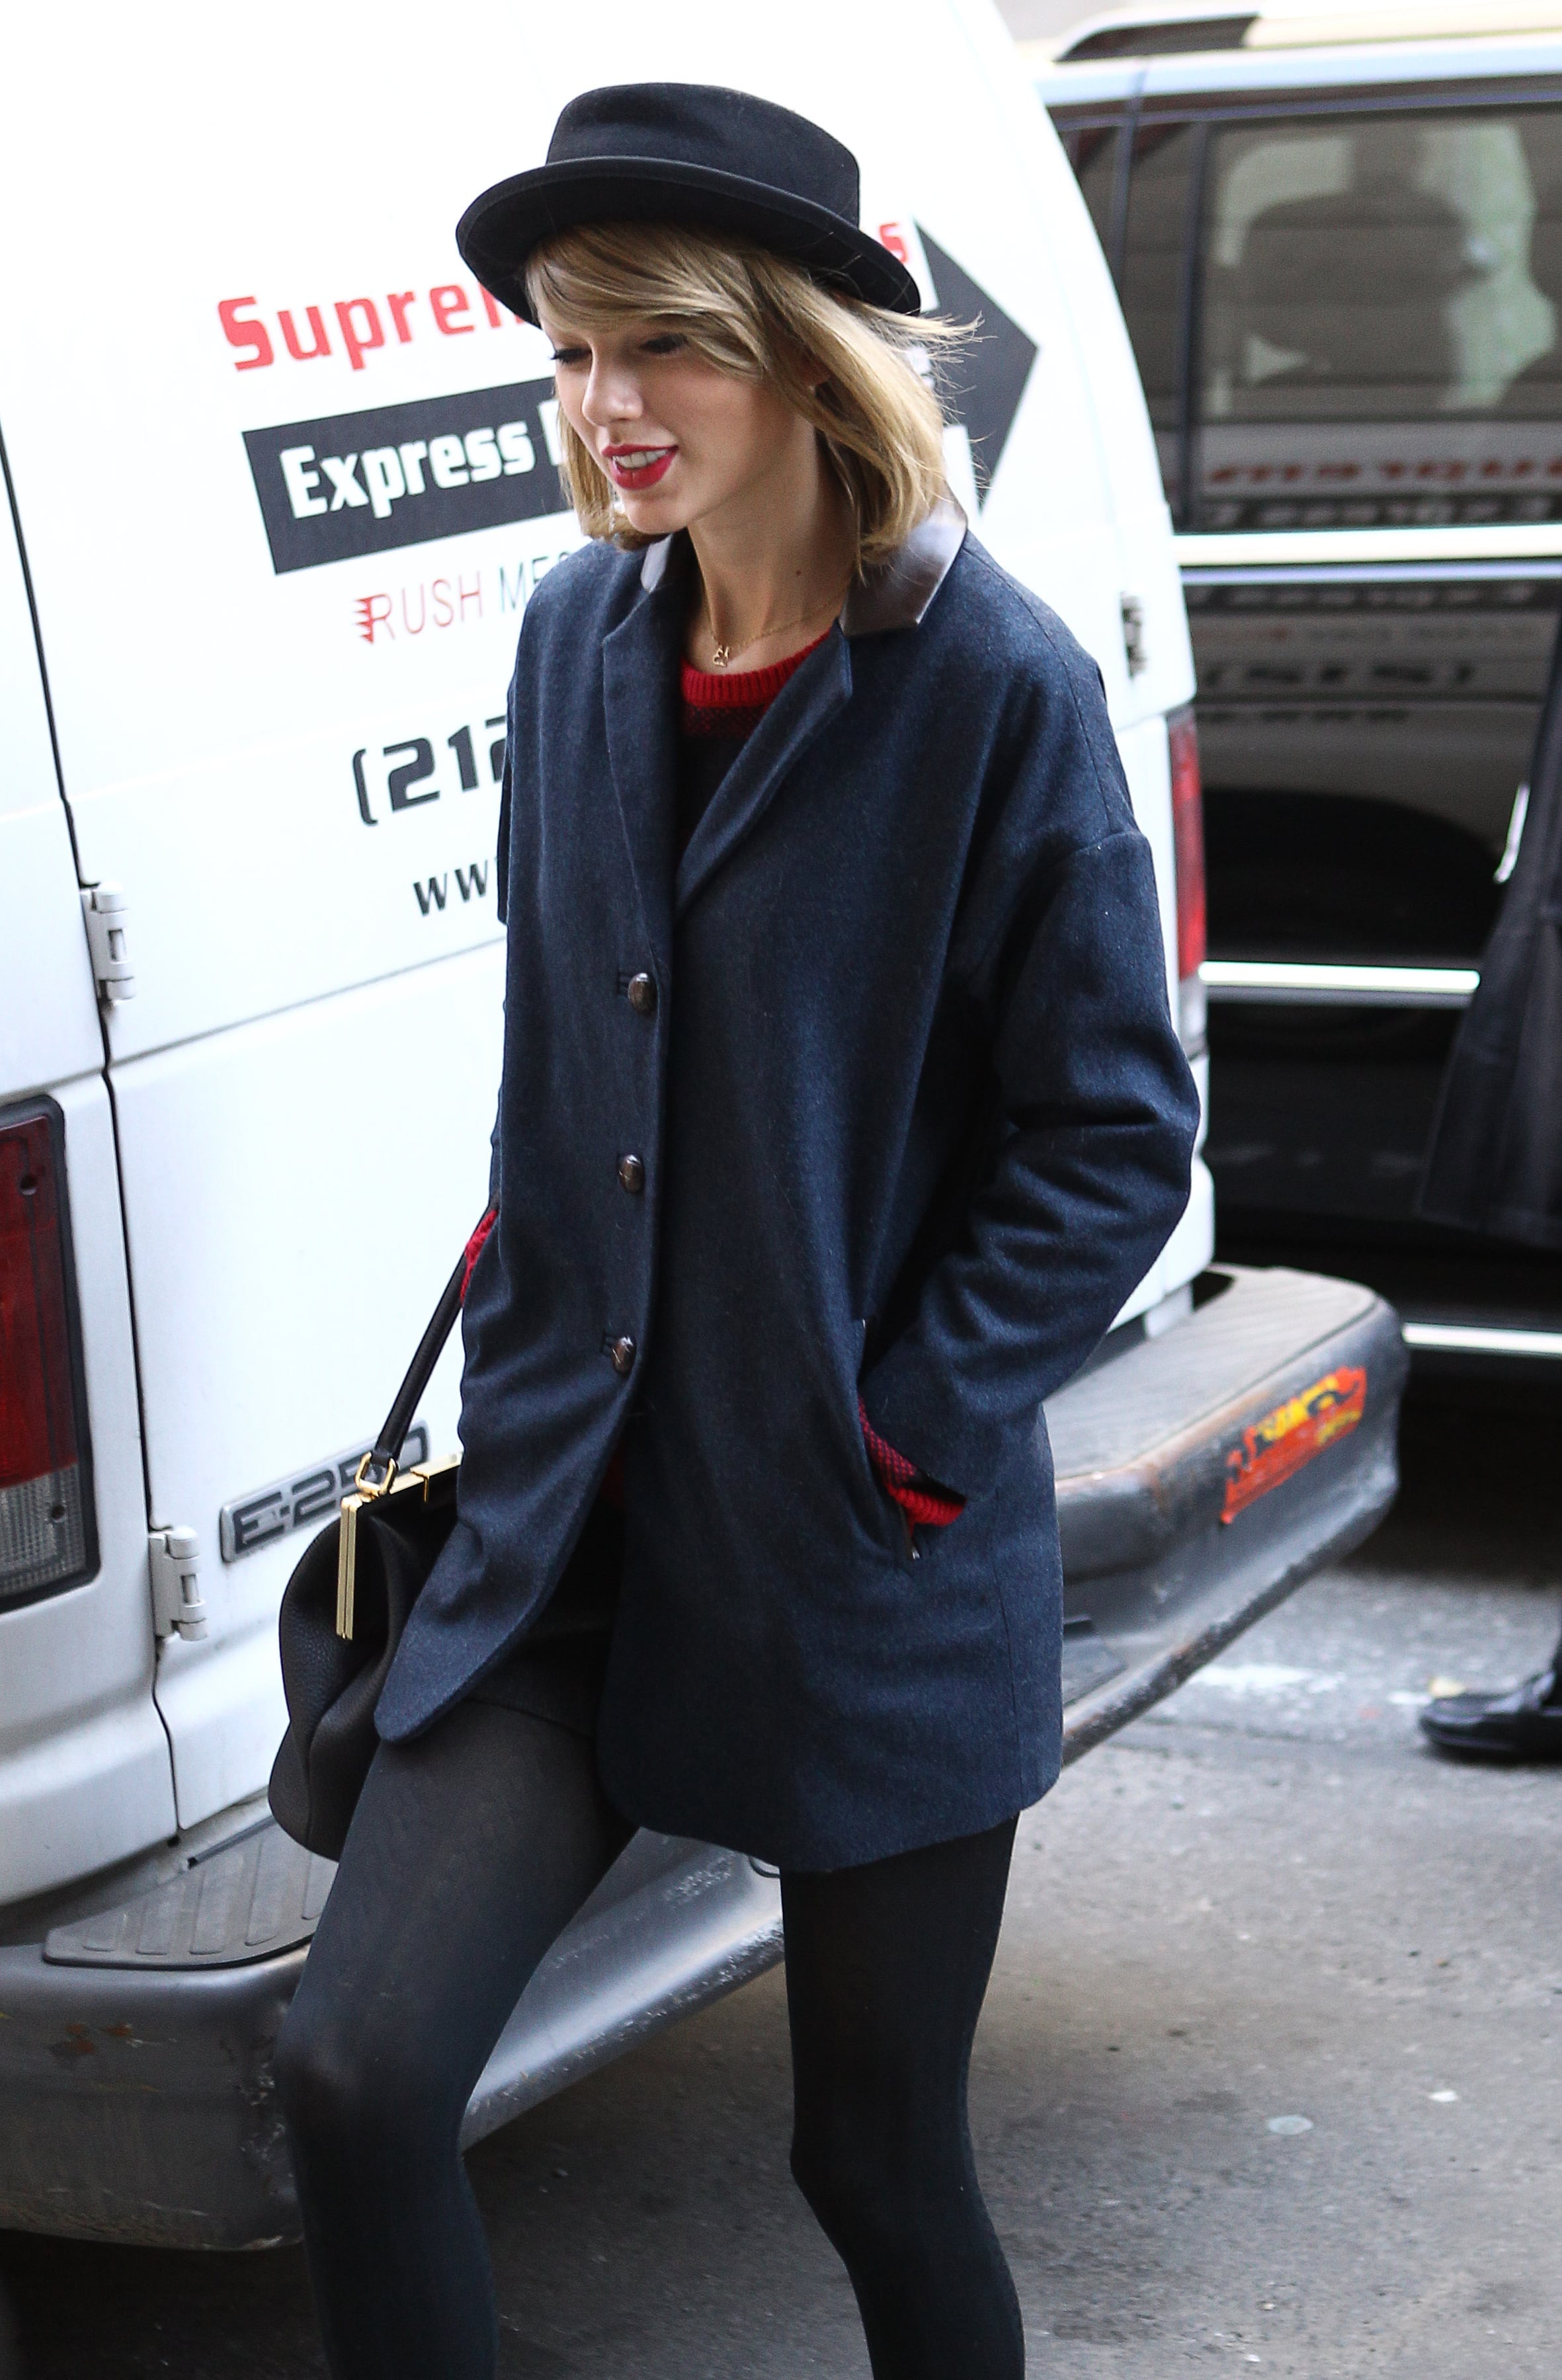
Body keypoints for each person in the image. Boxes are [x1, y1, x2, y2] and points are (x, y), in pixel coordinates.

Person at [275, 81, 1199, 2380]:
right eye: (572, 352)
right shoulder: (574, 641)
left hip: (846, 1553)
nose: (605, 404)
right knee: (356, 2078)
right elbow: (567, 1051)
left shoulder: (987, 688)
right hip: (565, 1534)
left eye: (660, 344)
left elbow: (1109, 1136)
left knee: (873, 2166)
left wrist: (897, 1435)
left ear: (799, 353)